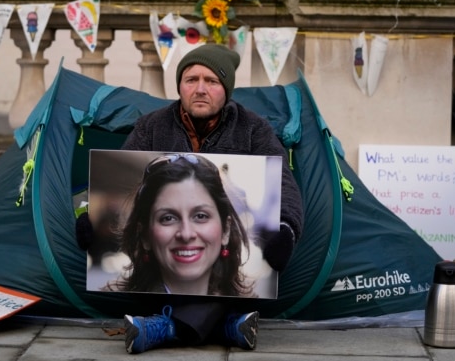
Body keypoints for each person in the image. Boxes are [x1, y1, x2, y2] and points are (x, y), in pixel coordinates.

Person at [77, 43, 303, 354]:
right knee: (170, 266)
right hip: (162, 270)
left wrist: (287, 229)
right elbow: (103, 174)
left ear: (226, 90)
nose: (200, 89)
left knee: (217, 275)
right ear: (180, 86)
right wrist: (86, 213)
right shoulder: (151, 126)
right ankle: (227, 327)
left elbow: (286, 185)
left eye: (211, 81)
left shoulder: (253, 129)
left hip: (221, 269)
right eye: (191, 79)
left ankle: (165, 327)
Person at [104, 153, 254, 297]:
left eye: (201, 216)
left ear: (225, 231)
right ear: (145, 236)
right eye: (168, 218)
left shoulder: (250, 310)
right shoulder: (112, 309)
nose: (186, 234)